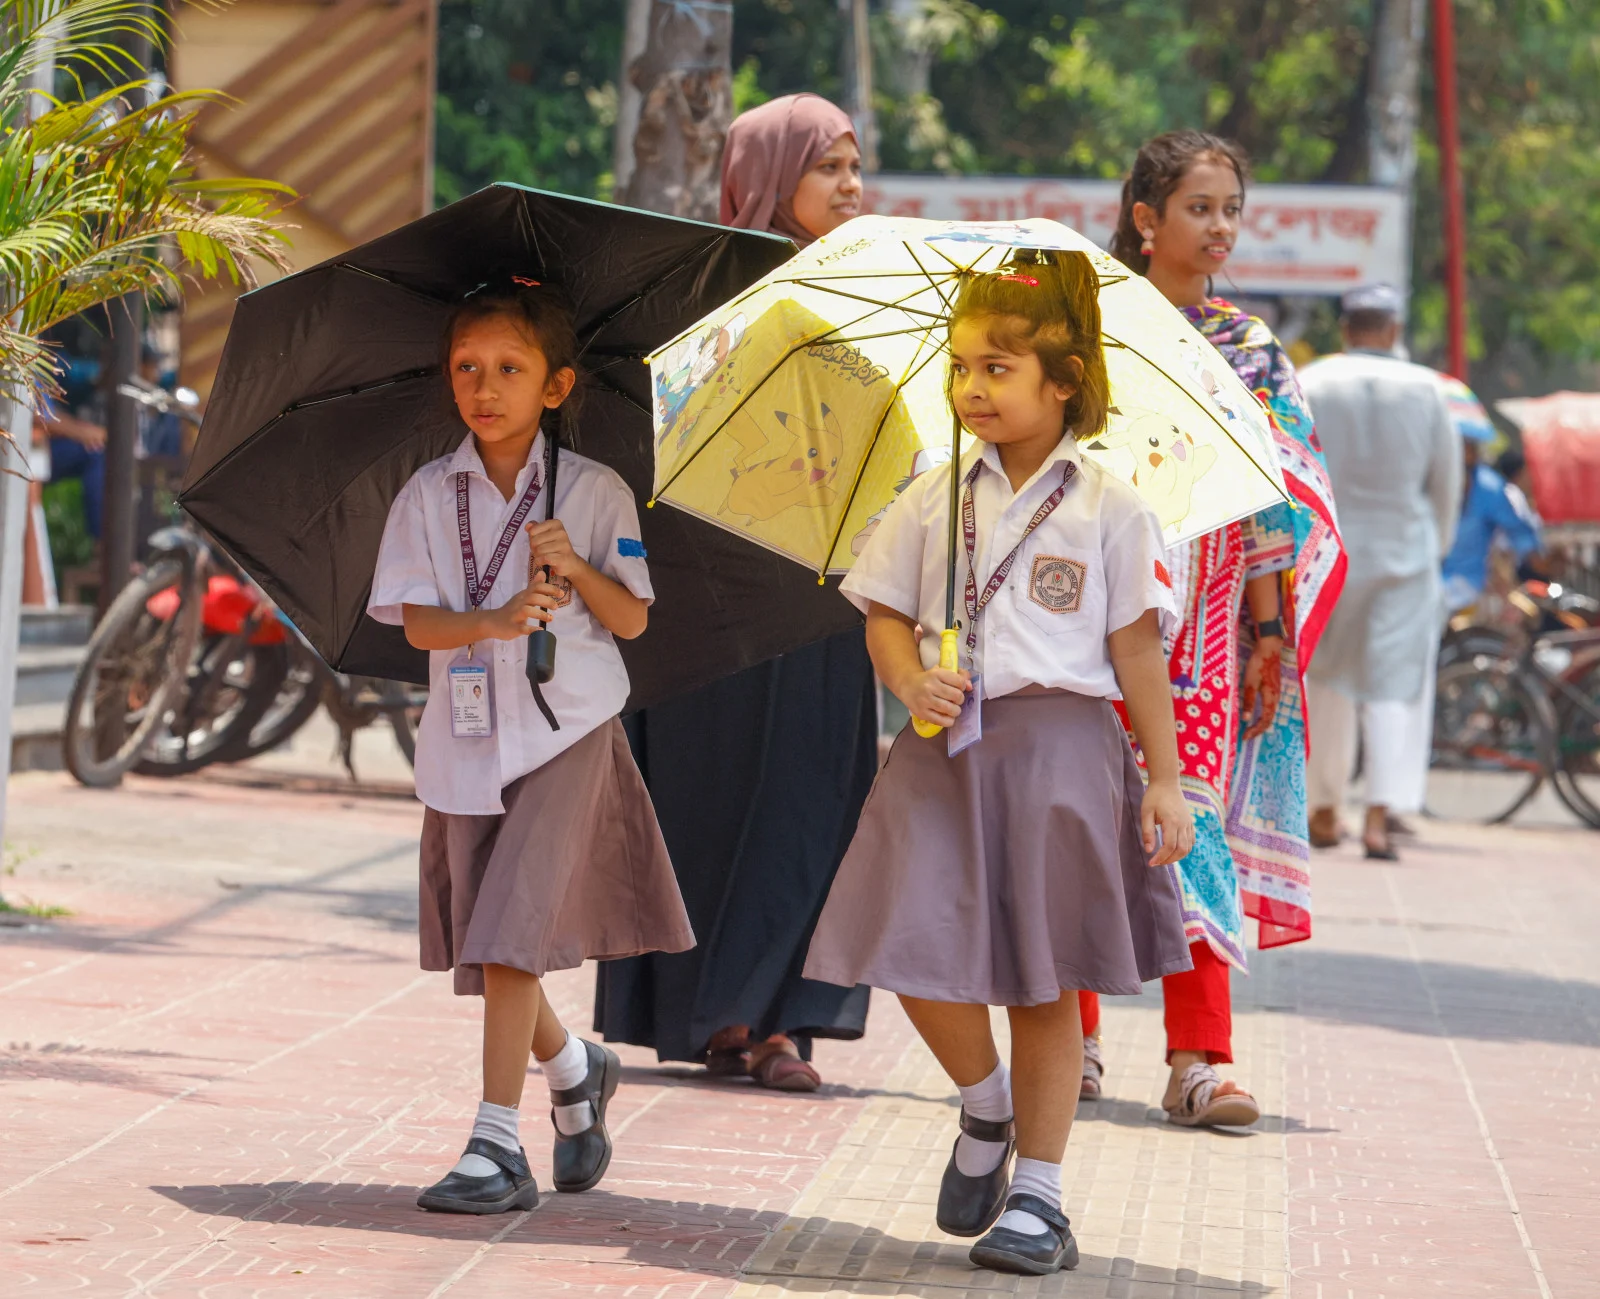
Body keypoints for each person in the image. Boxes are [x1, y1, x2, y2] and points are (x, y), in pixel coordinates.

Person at [803, 249, 1196, 1277]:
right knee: (901, 939)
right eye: (962, 366)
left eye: (999, 368)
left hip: (1062, 753)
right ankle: (984, 1107)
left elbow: (1135, 649)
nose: (971, 387)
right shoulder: (936, 497)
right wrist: (904, 679)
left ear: (1064, 381)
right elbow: (882, 612)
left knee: (1043, 981)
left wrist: (1162, 777)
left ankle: (1041, 1196)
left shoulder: (1111, 505)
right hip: (942, 748)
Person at [368, 280, 694, 1214]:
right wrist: (497, 616)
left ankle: (493, 1144)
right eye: (467, 368)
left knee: (510, 935)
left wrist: (578, 564)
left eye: (509, 369)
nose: (484, 386)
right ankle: (575, 1065)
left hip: (571, 729)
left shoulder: (594, 491)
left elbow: (630, 618)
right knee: (490, 944)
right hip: (468, 742)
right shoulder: (430, 493)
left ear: (554, 387)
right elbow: (419, 626)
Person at [594, 93, 874, 1092]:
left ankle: (781, 1023)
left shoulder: (869, 294)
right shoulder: (702, 294)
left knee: (812, 801)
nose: (850, 185)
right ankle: (711, 1013)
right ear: (768, 177)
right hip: (712, 592)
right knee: (702, 801)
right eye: (828, 167)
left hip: (830, 591)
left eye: (853, 167)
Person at [1076, 131, 1345, 1126]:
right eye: (1199, 207)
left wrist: (1268, 631)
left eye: (1231, 207)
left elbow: (1275, 495)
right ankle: (1076, 1041)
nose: (1220, 226)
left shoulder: (1250, 345)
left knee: (1188, 828)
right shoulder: (1089, 328)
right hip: (1089, 611)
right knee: (1077, 829)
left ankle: (1200, 1058)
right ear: (1146, 219)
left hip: (1206, 634)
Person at [1299, 286, 1461, 860]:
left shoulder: (1312, 381)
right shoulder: (1428, 389)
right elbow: (1445, 484)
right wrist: (1434, 550)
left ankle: (1322, 809)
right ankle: (1377, 816)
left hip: (1330, 554)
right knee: (1394, 685)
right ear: (1392, 330)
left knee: (1325, 680)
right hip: (1405, 555)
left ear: (1346, 329)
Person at [1441, 430, 1543, 613]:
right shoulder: (1433, 480)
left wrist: (1538, 561)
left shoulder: (1489, 488)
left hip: (1467, 586)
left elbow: (1519, 533)